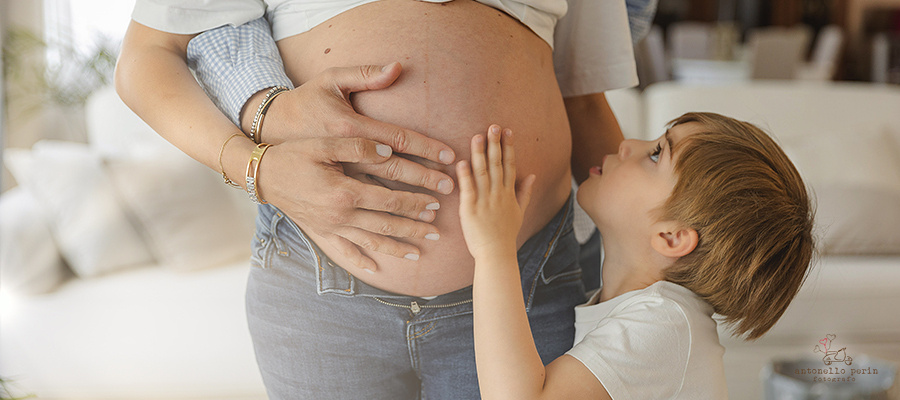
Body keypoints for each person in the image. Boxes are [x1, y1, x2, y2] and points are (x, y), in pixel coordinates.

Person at [115, 0, 645, 398]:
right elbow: (147, 57)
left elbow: (583, 98)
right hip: (316, 285)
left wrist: (667, 279)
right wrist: (259, 169)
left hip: (530, 280)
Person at [457, 113, 815, 399]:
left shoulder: (665, 325)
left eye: (656, 154)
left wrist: (493, 249)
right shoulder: (652, 315)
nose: (627, 145)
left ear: (672, 237)